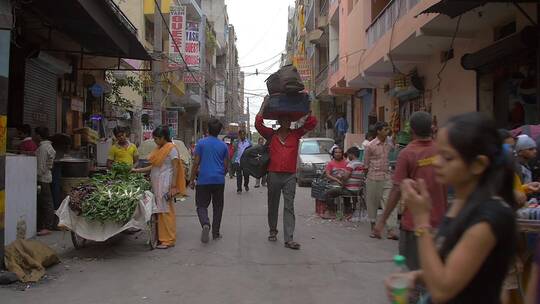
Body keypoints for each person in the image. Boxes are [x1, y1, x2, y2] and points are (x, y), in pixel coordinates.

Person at [386, 112, 517, 303]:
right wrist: (416, 276)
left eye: (447, 157)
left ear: (478, 164)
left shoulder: (490, 216)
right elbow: (455, 266)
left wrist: (421, 220)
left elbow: (442, 289)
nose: (437, 162)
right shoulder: (461, 203)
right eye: (438, 153)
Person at [374, 112, 447, 270]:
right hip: (440, 224)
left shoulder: (407, 154)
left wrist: (382, 220)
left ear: (411, 130)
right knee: (435, 272)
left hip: (413, 226)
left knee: (411, 275)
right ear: (432, 128)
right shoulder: (442, 151)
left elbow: (396, 189)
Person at [255, 97, 317, 250]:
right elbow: (258, 124)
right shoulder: (271, 135)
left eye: (288, 120)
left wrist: (310, 107)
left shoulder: (296, 134)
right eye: (283, 119)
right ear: (279, 121)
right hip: (273, 174)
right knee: (273, 204)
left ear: (290, 122)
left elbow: (312, 123)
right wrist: (264, 104)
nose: (286, 122)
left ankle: (289, 238)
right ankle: (272, 231)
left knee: (289, 206)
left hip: (290, 175)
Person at [133, 126, 185, 249]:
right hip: (157, 184)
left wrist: (173, 187)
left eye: (156, 138)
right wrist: (136, 170)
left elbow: (176, 168)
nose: (155, 141)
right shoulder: (160, 149)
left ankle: (169, 240)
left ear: (163, 138)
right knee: (160, 211)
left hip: (165, 184)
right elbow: (154, 167)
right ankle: (162, 238)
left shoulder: (171, 149)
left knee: (166, 210)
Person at [189, 119, 229, 243]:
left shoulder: (201, 143)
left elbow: (196, 163)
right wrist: (222, 173)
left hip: (203, 179)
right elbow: (226, 165)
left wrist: (191, 179)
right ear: (219, 131)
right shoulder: (223, 145)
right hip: (218, 180)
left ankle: (205, 223)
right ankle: (216, 233)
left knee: (201, 205)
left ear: (207, 130)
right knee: (218, 207)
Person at [364, 121, 398, 239]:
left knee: (389, 201)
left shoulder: (388, 143)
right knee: (372, 203)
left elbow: (393, 149)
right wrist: (366, 178)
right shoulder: (370, 146)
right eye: (385, 129)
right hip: (373, 177)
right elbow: (366, 164)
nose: (387, 131)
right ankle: (374, 228)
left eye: (387, 129)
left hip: (387, 176)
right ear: (378, 131)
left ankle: (391, 229)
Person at [34, 127, 56, 236]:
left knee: (46, 203)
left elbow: (41, 167)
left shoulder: (43, 148)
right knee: (44, 202)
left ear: (39, 135)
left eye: (36, 134)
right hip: (46, 178)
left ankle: (48, 226)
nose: (34, 137)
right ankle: (44, 225)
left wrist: (34, 176)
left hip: (42, 179)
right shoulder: (48, 146)